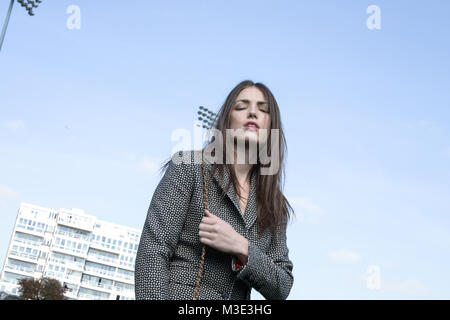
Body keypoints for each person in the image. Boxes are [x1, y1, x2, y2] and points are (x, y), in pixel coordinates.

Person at [134, 80, 295, 300]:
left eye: (263, 109)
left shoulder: (273, 203)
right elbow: (153, 252)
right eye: (241, 106)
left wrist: (242, 247)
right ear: (226, 121)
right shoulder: (189, 166)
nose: (252, 113)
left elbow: (282, 286)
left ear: (271, 128)